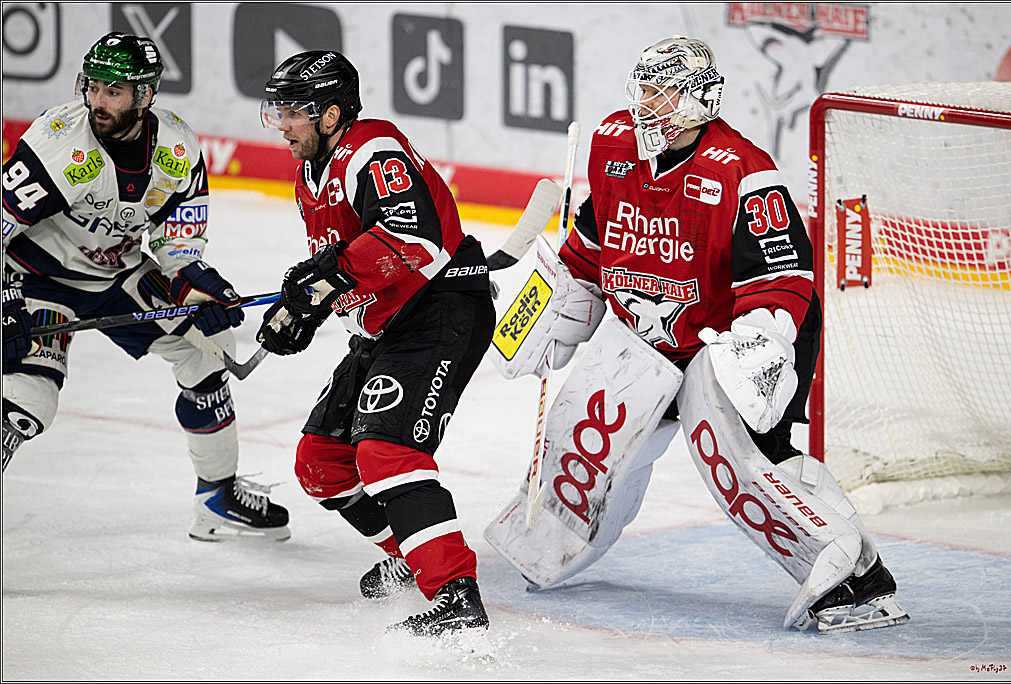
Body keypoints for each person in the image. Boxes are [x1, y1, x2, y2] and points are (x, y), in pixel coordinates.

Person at [484, 36, 908, 634]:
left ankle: (856, 578)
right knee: (583, 429)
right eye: (643, 89)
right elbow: (592, 242)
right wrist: (561, 301)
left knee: (736, 458)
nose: (646, 104)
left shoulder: (743, 170)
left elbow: (783, 277)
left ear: (699, 99)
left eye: (662, 92)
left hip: (733, 337)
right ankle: (549, 543)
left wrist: (758, 347)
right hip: (647, 333)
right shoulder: (613, 144)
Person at [2, 32, 289, 542]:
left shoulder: (177, 149)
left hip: (116, 273)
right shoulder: (59, 143)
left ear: (145, 95)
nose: (97, 101)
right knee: (27, 400)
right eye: (93, 86)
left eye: (114, 91)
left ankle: (217, 497)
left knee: (207, 349)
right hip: (37, 276)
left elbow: (178, 244)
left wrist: (195, 287)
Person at [256, 50, 495, 636]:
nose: (281, 125)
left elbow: (416, 240)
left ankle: (456, 595)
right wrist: (304, 310)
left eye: (293, 112)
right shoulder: (310, 172)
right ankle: (410, 554)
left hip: (439, 309)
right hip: (386, 324)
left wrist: (331, 276)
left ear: (330, 114)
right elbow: (343, 266)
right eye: (278, 111)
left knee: (386, 451)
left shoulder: (374, 150)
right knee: (322, 462)